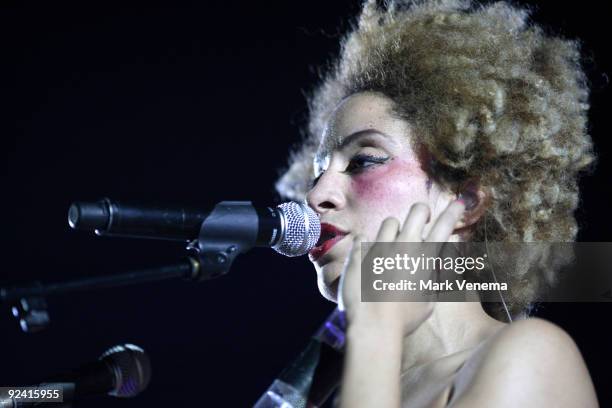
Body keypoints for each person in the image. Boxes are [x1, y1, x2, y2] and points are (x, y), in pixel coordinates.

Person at [275, 0, 599, 406]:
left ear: (465, 203)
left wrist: (375, 332)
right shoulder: (329, 391)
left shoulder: (531, 356)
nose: (315, 196)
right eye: (317, 174)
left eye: (363, 161)